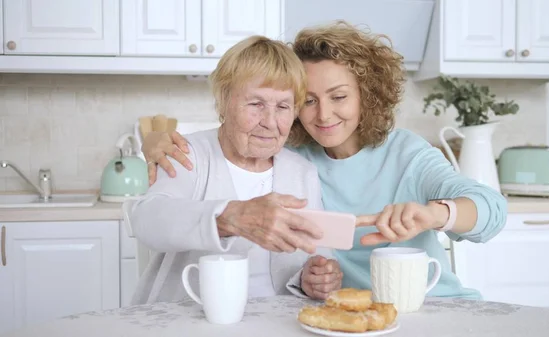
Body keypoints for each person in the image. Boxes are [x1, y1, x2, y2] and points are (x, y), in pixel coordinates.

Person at [141, 21, 507, 300]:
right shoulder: (295, 158)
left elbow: (491, 211)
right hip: (347, 313)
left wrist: (435, 214)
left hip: (427, 305)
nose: (323, 115)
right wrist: (156, 140)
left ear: (368, 96)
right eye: (308, 101)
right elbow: (237, 131)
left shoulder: (405, 154)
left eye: (339, 96)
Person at [126, 35, 344, 305]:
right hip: (188, 319)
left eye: (283, 107)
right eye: (256, 104)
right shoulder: (188, 153)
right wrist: (230, 217)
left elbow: (318, 255)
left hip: (275, 323)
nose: (270, 122)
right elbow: (148, 220)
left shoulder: (302, 172)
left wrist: (312, 278)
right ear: (224, 101)